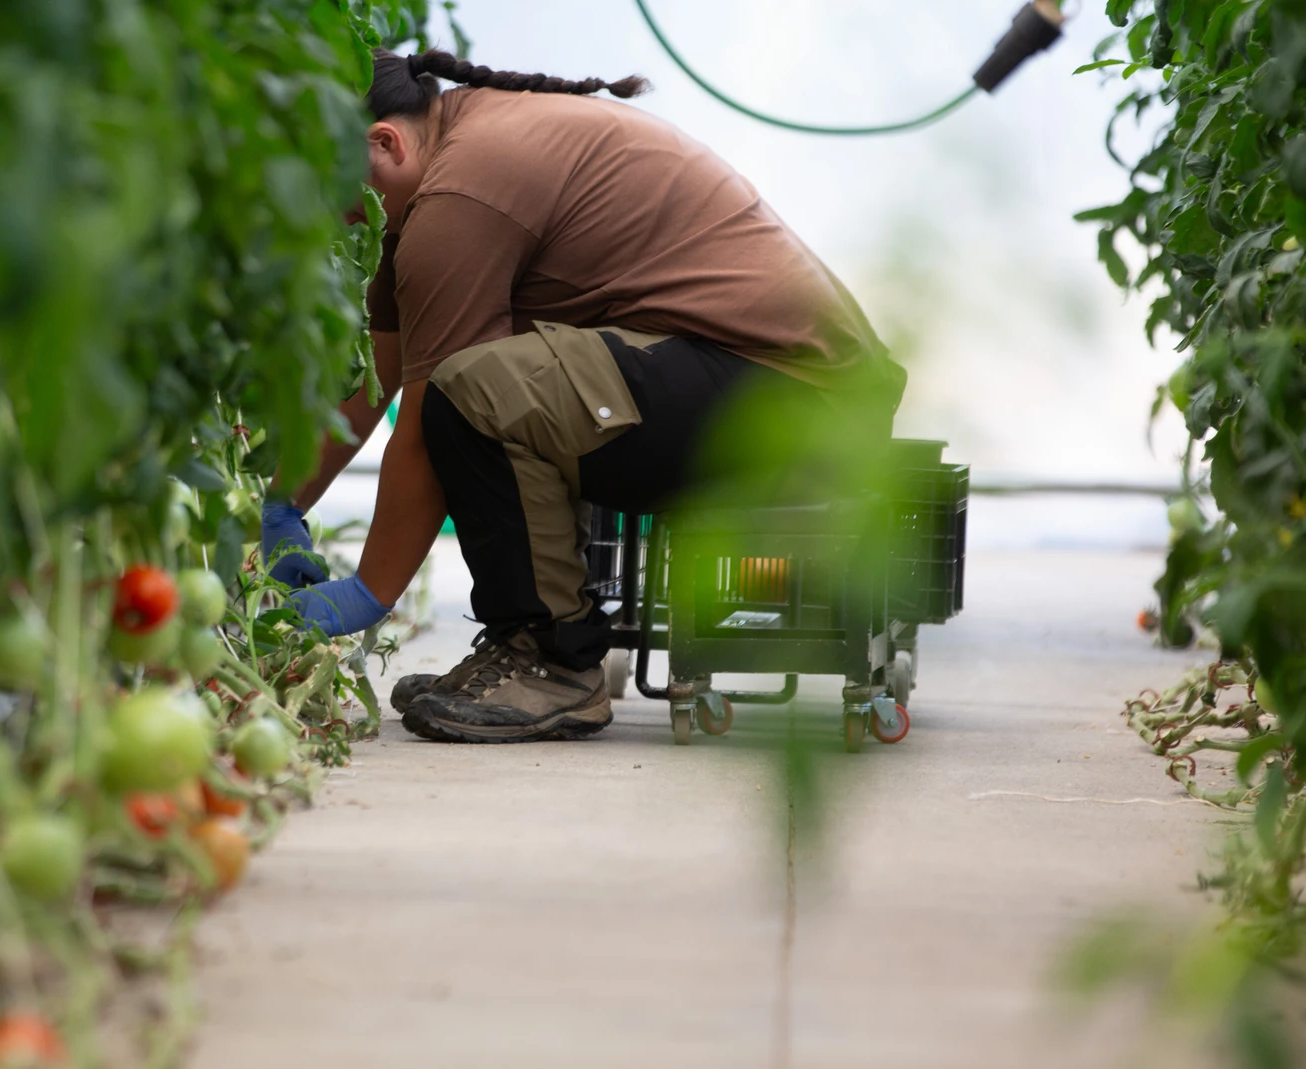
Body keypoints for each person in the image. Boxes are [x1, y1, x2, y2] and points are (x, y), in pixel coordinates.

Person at [265, 49, 903, 744]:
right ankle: (526, 649)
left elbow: (419, 417)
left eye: (342, 200)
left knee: (469, 395)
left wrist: (364, 595)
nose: (347, 222)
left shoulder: (462, 194)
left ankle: (550, 662)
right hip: (754, 380)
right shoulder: (443, 164)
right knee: (481, 388)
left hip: (792, 403)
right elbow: (374, 373)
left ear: (382, 143)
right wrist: (281, 504)